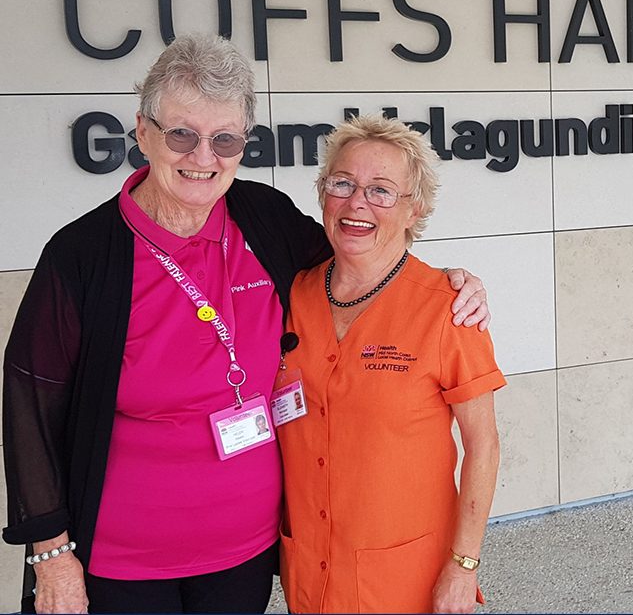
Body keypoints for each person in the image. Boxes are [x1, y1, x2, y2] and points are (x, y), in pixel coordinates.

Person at [1, 33, 491, 614]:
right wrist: (51, 554)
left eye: (224, 138)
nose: (203, 157)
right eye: (181, 134)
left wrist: (448, 281)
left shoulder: (264, 218)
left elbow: (356, 261)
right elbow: (30, 405)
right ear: (142, 132)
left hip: (246, 554)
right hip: (124, 561)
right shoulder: (84, 255)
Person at [277, 115, 503, 613]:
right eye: (342, 183)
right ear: (322, 193)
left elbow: (482, 446)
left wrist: (463, 566)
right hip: (311, 568)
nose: (357, 203)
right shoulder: (293, 293)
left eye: (382, 191)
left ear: (413, 209)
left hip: (405, 576)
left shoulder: (449, 308)